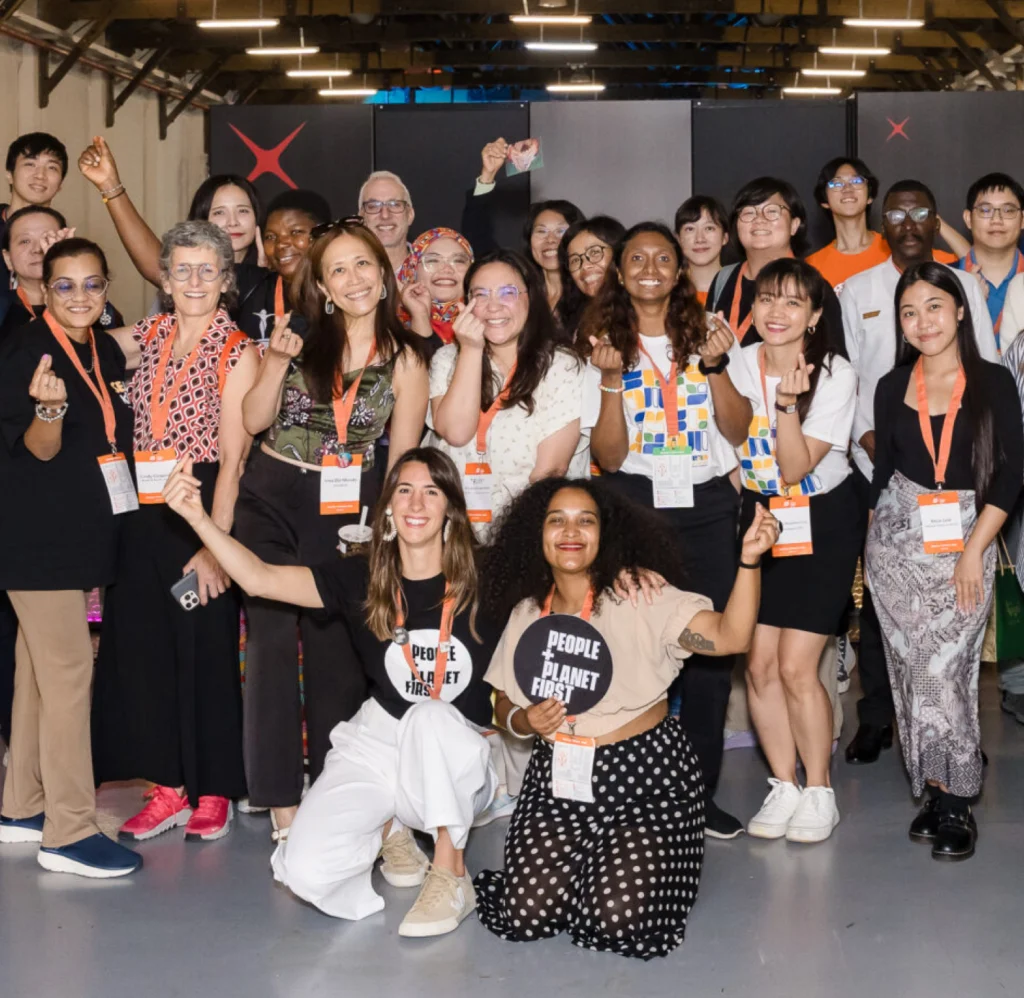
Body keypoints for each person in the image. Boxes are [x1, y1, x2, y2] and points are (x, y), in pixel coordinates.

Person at [162, 447, 500, 937]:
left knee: (430, 715)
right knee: (305, 870)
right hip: (382, 738)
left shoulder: (486, 575)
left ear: (451, 508)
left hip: (456, 747)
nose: (416, 503)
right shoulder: (362, 575)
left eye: (432, 492)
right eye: (404, 490)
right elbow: (259, 579)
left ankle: (451, 873)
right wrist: (199, 519)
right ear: (387, 506)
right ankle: (390, 828)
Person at [474, 476, 780, 958]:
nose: (570, 531)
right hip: (559, 777)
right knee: (527, 912)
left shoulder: (641, 594)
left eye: (585, 520)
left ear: (606, 532)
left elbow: (731, 637)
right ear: (538, 534)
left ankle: (632, 859)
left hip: (645, 777)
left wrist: (749, 561)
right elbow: (502, 704)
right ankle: (593, 866)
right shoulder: (528, 613)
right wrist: (525, 722)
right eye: (556, 520)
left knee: (615, 917)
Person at [234, 218, 429, 841]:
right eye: (337, 270)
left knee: (334, 654)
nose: (353, 279)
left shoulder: (406, 359)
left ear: (383, 273)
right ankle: (278, 799)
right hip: (271, 494)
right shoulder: (298, 339)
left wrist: (388, 532)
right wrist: (274, 362)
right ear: (321, 284)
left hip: (348, 510)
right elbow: (253, 419)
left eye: (362, 264)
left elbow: (402, 461)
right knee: (268, 639)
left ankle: (330, 790)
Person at [580, 221, 754, 840]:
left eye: (662, 258)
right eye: (636, 259)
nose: (650, 268)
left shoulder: (711, 331)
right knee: (631, 647)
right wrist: (609, 380)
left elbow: (738, 430)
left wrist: (717, 365)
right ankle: (630, 790)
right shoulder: (603, 342)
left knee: (708, 657)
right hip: (634, 505)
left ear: (679, 271)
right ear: (619, 272)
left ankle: (697, 797)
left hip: (706, 506)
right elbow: (607, 456)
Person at [90, 221, 260, 843]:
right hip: (141, 511)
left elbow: (235, 461)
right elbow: (80, 341)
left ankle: (213, 789)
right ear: (163, 278)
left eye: (206, 270)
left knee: (206, 652)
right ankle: (168, 786)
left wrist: (215, 546)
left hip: (200, 508)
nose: (193, 281)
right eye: (181, 269)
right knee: (144, 651)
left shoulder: (238, 350)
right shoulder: (150, 333)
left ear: (225, 279)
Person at [866, 262, 1023, 861]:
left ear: (959, 310)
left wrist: (974, 550)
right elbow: (883, 475)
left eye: (934, 306)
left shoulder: (992, 381)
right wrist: (872, 547)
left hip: (965, 541)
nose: (922, 321)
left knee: (945, 671)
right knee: (911, 675)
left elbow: (1011, 473)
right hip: (896, 550)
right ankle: (933, 789)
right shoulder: (890, 386)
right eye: (909, 312)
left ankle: (958, 799)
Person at [841, 179, 997, 765]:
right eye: (896, 213)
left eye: (920, 212)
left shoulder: (966, 287)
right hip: (886, 478)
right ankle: (884, 722)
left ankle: (956, 747)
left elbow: (987, 373)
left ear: (937, 221)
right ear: (882, 224)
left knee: (952, 638)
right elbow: (851, 378)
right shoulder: (857, 290)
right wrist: (877, 449)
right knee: (890, 623)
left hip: (961, 489)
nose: (908, 222)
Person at [0, 237, 141, 878]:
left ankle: (23, 805)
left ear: (106, 288)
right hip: (37, 542)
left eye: (92, 284)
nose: (80, 295)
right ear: (43, 290)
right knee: (68, 674)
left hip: (75, 534)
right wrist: (50, 409)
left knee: (38, 672)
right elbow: (39, 449)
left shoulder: (99, 347)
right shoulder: (28, 350)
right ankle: (70, 831)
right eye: (65, 284)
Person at [715, 258, 860, 843]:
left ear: (815, 315)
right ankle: (784, 784)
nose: (777, 312)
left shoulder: (835, 372)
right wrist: (749, 502)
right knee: (757, 665)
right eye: (767, 298)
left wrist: (785, 406)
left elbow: (796, 466)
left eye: (793, 302)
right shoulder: (734, 362)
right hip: (759, 518)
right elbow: (727, 448)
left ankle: (820, 789)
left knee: (798, 666)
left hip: (820, 517)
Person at [425, 248, 586, 543]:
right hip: (455, 527)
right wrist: (471, 350)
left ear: (531, 298)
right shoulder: (447, 360)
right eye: (481, 295)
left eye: (508, 292)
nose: (493, 306)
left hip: (529, 528)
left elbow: (550, 471)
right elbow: (456, 433)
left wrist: (509, 543)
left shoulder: (561, 365)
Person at [77, 137, 285, 343]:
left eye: (243, 211)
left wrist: (264, 279)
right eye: (219, 212)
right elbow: (154, 263)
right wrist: (110, 185)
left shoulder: (277, 277)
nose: (232, 222)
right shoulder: (187, 278)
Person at [706, 178, 845, 357]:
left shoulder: (813, 287)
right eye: (748, 212)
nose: (759, 219)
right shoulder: (723, 279)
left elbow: (835, 363)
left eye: (772, 211)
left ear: (794, 225)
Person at [462, 138, 583, 316]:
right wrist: (487, 175)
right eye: (541, 231)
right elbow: (477, 237)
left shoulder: (591, 295)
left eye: (560, 231)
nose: (550, 240)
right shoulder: (518, 289)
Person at [0, 207, 122, 339]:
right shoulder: (4, 308)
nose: (37, 249)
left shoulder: (90, 304)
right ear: (8, 258)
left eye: (47, 238)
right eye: (25, 241)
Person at [954, 173, 1024, 354]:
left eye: (1008, 210)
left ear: (1023, 219)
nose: (996, 220)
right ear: (968, 218)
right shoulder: (945, 280)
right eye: (985, 210)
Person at [1, 132, 68, 291]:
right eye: (30, 164)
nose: (40, 175)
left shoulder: (63, 239)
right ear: (9, 175)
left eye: (52, 167)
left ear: (60, 184)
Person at [397, 226, 474, 345]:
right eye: (432, 260)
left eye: (458, 260)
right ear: (412, 270)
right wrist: (420, 316)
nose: (446, 269)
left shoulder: (492, 322)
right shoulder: (389, 330)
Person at [556, 215, 626, 335]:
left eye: (594, 252)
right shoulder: (575, 321)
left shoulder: (642, 313)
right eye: (575, 260)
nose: (585, 266)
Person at [358, 170, 416, 275]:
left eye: (394, 205)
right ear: (361, 217)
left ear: (410, 215)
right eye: (374, 206)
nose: (385, 215)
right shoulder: (351, 275)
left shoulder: (431, 271)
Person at [674, 195, 729, 306]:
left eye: (709, 228)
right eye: (690, 229)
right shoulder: (667, 289)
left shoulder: (742, 287)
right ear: (678, 239)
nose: (699, 239)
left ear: (725, 237)